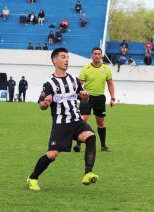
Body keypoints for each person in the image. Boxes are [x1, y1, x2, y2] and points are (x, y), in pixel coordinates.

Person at [27, 48, 99, 191]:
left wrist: (85, 97)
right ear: (55, 60)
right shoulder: (49, 83)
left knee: (91, 137)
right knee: (52, 154)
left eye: (68, 57)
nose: (67, 60)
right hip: (61, 124)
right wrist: (45, 103)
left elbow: (82, 99)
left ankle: (88, 173)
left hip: (77, 121)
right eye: (63, 57)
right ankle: (33, 177)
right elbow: (41, 104)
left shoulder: (74, 80)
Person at [73, 47, 115, 153]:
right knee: (83, 120)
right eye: (95, 54)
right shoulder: (85, 69)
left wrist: (113, 98)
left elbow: (110, 84)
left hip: (100, 98)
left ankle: (103, 146)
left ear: (101, 55)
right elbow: (79, 85)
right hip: (87, 98)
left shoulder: (106, 69)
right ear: (92, 55)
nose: (96, 56)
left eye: (98, 54)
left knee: (100, 122)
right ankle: (78, 144)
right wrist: (78, 96)